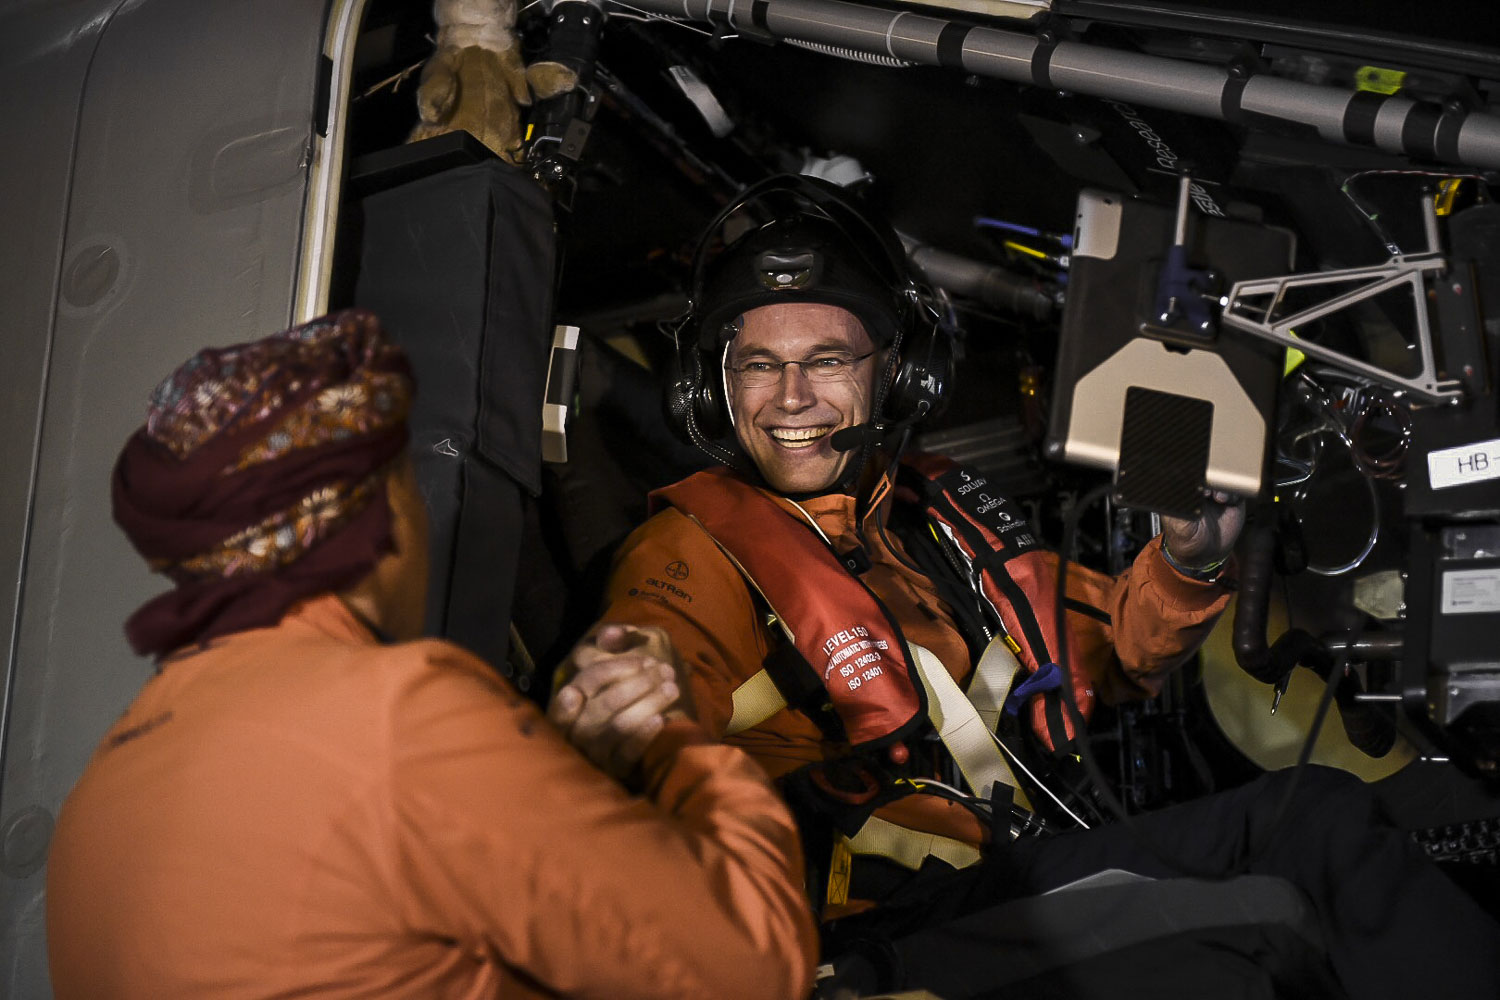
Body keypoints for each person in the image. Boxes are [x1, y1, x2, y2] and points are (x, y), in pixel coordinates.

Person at [576, 176, 1500, 998]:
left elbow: (1114, 649)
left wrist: (1190, 554)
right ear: (716, 389)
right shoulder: (690, 552)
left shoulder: (935, 522)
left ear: (891, 374)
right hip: (876, 933)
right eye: (758, 366)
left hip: (1018, 871)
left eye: (826, 361)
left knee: (1324, 817)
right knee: (1257, 928)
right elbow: (650, 669)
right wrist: (627, 694)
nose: (790, 398)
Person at [45, 309, 818, 1000]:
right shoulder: (394, 714)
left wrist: (561, 773)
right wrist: (671, 739)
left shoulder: (96, 798)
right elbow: (750, 968)